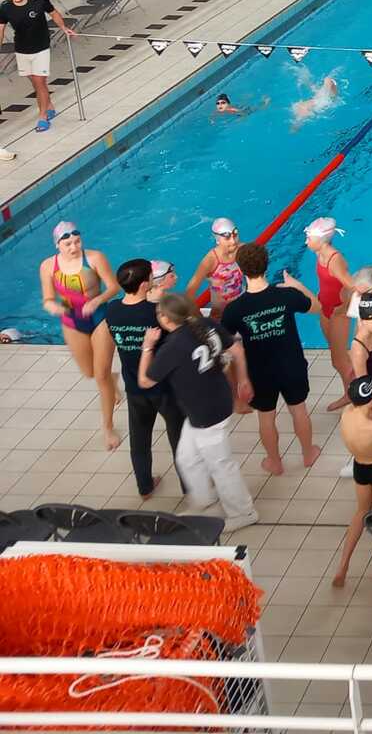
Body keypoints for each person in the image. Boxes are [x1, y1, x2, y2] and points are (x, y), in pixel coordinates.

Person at [139, 293, 258, 534]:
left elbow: (145, 381)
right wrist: (243, 379)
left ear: (166, 319)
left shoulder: (173, 347)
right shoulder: (204, 324)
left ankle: (244, 512)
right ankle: (204, 500)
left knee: (221, 465)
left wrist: (147, 347)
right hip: (210, 404)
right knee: (187, 458)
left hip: (207, 413)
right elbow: (237, 348)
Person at [219, 241, 321, 476]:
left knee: (266, 418)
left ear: (240, 270)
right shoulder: (286, 295)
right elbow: (317, 307)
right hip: (291, 365)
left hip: (260, 371)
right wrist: (298, 286)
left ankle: (275, 462)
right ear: (267, 265)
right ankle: (308, 453)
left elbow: (227, 342)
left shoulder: (234, 309)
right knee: (299, 410)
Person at [100, 259, 184, 499]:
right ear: (146, 283)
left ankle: (144, 487)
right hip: (164, 387)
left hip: (134, 387)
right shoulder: (155, 312)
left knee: (139, 440)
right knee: (179, 439)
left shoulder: (112, 310)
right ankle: (190, 488)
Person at [39, 221, 120, 448]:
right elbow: (47, 299)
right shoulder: (48, 266)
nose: (74, 247)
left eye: (77, 241)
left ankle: (108, 427)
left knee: (100, 375)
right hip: (71, 321)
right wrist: (53, 307)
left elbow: (114, 287)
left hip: (99, 317)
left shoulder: (94, 258)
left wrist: (97, 300)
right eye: (68, 244)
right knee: (89, 372)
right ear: (57, 245)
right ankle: (113, 379)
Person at [330, 375, 372, 588]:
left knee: (360, 512)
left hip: (360, 467)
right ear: (371, 398)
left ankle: (343, 566)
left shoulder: (346, 413)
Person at [2, 0, 77, 132]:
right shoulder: (5, 8)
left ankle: (42, 117)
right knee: (36, 83)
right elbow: (0, 29)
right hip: (22, 49)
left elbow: (54, 13)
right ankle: (49, 105)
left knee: (40, 82)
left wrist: (64, 28)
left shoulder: (39, 2)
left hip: (41, 48)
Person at [305, 216, 357, 400]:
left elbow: (352, 286)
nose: (306, 241)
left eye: (309, 238)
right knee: (339, 358)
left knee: (339, 360)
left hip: (337, 313)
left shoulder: (335, 259)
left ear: (321, 240)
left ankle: (355, 395)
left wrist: (344, 308)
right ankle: (351, 391)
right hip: (325, 308)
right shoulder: (320, 254)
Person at [185, 217, 245, 321]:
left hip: (242, 307)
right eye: (227, 238)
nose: (233, 241)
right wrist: (199, 318)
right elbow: (190, 291)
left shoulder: (242, 248)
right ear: (217, 239)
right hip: (221, 316)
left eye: (235, 235)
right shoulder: (211, 260)